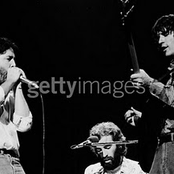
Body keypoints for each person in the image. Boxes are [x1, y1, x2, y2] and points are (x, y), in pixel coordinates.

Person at [125, 14, 174, 174]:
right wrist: (144, 118)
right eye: (158, 37)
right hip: (164, 148)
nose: (160, 41)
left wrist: (150, 82)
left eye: (166, 34)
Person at [0, 37, 33, 174]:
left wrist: (17, 87)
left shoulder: (7, 91)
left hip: (13, 160)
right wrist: (9, 83)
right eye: (8, 58)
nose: (14, 64)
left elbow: (24, 124)